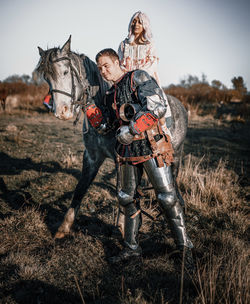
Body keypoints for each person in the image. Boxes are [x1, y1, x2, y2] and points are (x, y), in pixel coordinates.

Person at [88, 48, 194, 269]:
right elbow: (108, 127)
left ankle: (185, 249)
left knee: (167, 198)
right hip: (126, 151)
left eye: (106, 65)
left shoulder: (138, 77)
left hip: (152, 144)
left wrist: (134, 127)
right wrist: (91, 112)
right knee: (126, 198)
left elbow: (158, 106)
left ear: (117, 63)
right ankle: (131, 249)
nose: (103, 71)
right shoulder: (110, 94)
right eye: (99, 68)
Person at [118, 11, 172, 127]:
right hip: (126, 81)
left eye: (140, 22)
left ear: (145, 26)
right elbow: (120, 64)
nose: (136, 24)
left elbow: (152, 65)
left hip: (146, 81)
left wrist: (136, 76)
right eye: (134, 21)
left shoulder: (150, 44)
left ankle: (164, 131)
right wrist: (126, 77)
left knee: (158, 106)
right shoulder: (123, 45)